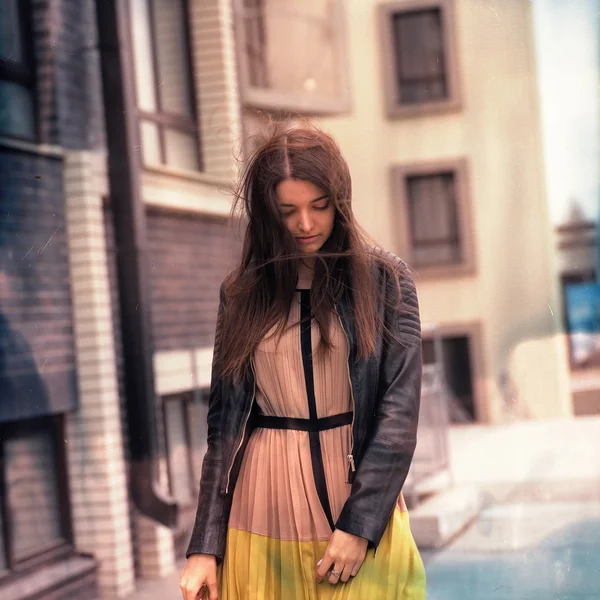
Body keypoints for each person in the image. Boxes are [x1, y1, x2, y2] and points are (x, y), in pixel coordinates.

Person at [180, 125, 426, 599]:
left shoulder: (385, 281)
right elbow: (225, 429)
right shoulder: (242, 293)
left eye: (319, 206)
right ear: (267, 213)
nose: (306, 224)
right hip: (260, 509)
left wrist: (360, 525)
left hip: (354, 506)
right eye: (288, 211)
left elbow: (399, 416)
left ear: (341, 201)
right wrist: (204, 546)